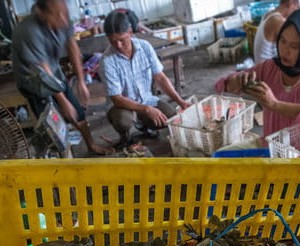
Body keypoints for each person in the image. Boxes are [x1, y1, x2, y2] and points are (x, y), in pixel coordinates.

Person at [215, 8, 300, 143]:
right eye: (282, 41)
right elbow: (222, 85)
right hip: (272, 148)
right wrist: (237, 82)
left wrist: (274, 104)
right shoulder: (270, 67)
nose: (285, 50)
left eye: (294, 46)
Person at [12, 0, 112, 155]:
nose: (63, 19)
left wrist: (81, 81)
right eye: (57, 14)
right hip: (33, 80)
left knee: (78, 113)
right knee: (53, 124)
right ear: (42, 13)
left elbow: (72, 47)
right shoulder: (28, 31)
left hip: (54, 73)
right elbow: (43, 72)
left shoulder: (62, 19)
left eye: (64, 13)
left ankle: (91, 145)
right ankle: (62, 157)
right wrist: (63, 101)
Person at [100, 9, 190, 145]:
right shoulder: (107, 61)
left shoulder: (145, 47)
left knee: (171, 119)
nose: (118, 45)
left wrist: (180, 101)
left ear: (130, 32)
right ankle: (125, 136)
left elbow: (160, 77)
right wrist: (146, 109)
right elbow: (117, 98)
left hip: (147, 100)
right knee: (123, 120)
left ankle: (144, 127)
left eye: (122, 40)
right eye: (113, 41)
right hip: (124, 107)